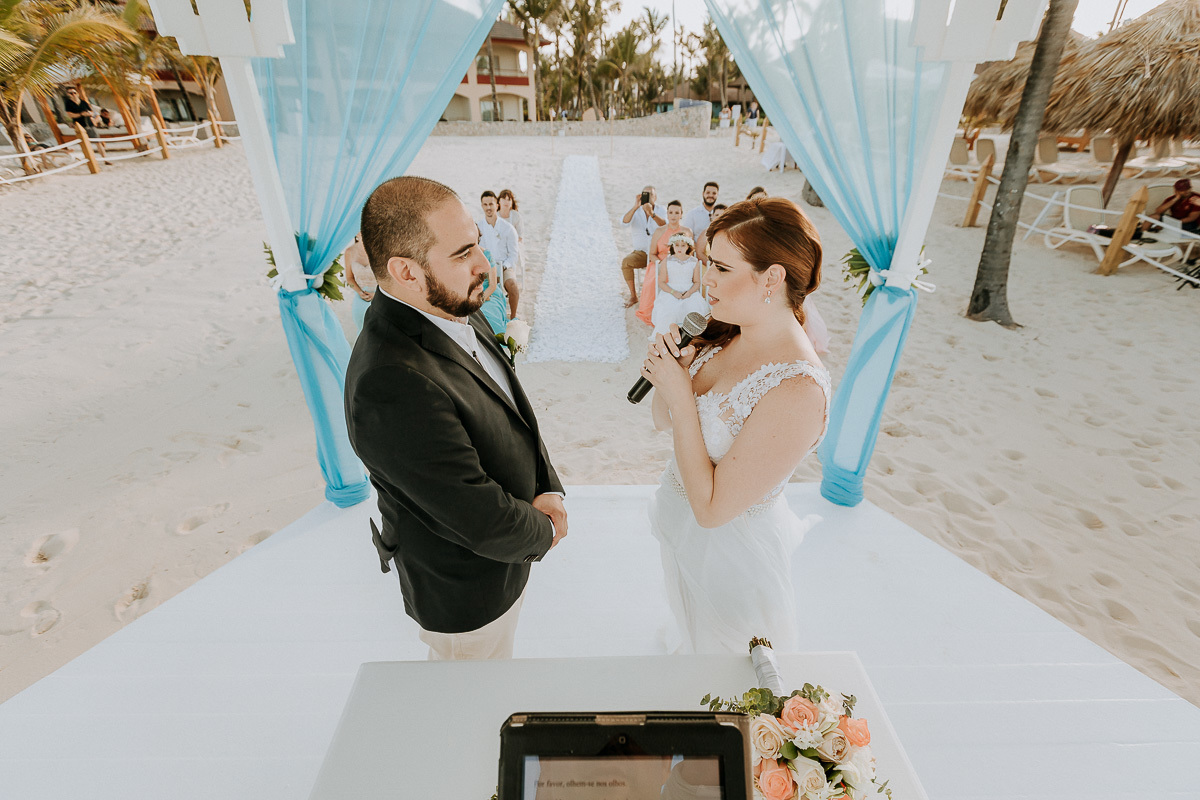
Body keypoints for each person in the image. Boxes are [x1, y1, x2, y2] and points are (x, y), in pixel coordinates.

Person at [345, 176, 567, 661]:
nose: (484, 265)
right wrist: (546, 531)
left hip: (510, 550)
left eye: (479, 245)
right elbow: (475, 515)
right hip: (468, 594)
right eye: (464, 252)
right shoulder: (390, 384)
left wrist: (546, 483)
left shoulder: (452, 297)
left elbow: (508, 400)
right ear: (406, 271)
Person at [639, 196, 831, 654]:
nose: (707, 280)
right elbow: (663, 421)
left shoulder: (798, 389)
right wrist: (674, 375)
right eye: (709, 263)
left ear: (773, 277)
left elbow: (712, 511)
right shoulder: (723, 330)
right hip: (682, 538)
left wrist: (682, 396)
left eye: (722, 269)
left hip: (732, 567)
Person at [636, 200, 692, 327]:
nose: (673, 215)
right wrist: (661, 264)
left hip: (679, 262)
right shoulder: (659, 231)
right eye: (671, 212)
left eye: (676, 213)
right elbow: (652, 254)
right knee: (655, 278)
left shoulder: (687, 231)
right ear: (667, 213)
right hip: (660, 263)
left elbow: (689, 252)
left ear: (681, 214)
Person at [651, 232, 708, 338]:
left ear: (688, 246)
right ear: (672, 246)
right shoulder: (667, 261)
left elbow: (697, 282)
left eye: (683, 245)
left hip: (689, 290)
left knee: (694, 309)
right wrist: (673, 292)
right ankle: (669, 336)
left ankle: (692, 336)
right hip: (671, 291)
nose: (680, 248)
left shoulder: (694, 261)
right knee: (668, 310)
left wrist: (689, 292)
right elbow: (662, 282)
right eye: (677, 245)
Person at [621, 185, 666, 307]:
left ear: (655, 197)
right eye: (644, 194)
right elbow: (624, 222)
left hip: (658, 252)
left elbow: (665, 226)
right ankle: (633, 296)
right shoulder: (636, 211)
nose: (648, 196)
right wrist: (636, 206)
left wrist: (652, 214)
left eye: (650, 194)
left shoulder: (661, 210)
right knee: (626, 263)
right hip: (641, 253)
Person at [478, 190, 521, 319]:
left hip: (505, 265)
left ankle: (513, 316)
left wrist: (503, 267)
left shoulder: (508, 228)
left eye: (491, 204)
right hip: (486, 267)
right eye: (485, 205)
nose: (488, 208)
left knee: (513, 287)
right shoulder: (479, 227)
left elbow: (514, 254)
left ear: (497, 205)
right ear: (482, 206)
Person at [497, 188, 525, 318]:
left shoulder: (515, 216)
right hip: (495, 258)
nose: (507, 201)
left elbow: (520, 236)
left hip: (508, 256)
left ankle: (513, 315)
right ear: (499, 201)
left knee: (512, 285)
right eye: (504, 198)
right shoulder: (494, 217)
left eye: (509, 199)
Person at [62, 86, 108, 162]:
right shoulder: (68, 104)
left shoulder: (83, 102)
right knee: (85, 144)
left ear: (77, 93)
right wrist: (81, 114)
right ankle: (90, 160)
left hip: (89, 124)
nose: (73, 94)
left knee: (98, 142)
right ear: (68, 94)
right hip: (79, 126)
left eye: (74, 92)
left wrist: (89, 114)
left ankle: (105, 159)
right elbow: (70, 115)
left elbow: (92, 112)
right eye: (71, 93)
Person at [478, 230, 510, 336]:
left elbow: (492, 285)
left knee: (487, 314)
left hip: (488, 291)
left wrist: (480, 300)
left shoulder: (486, 255)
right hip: (470, 292)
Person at [343, 232, 376, 333]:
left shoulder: (379, 250)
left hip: (380, 294)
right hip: (361, 295)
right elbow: (349, 278)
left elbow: (388, 278)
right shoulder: (349, 252)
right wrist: (360, 292)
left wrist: (377, 294)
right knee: (362, 330)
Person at [682, 181, 719, 262]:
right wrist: (698, 252)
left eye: (714, 193)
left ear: (717, 195)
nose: (710, 195)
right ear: (703, 193)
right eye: (708, 192)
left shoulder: (721, 213)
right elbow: (686, 236)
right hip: (696, 255)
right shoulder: (693, 214)